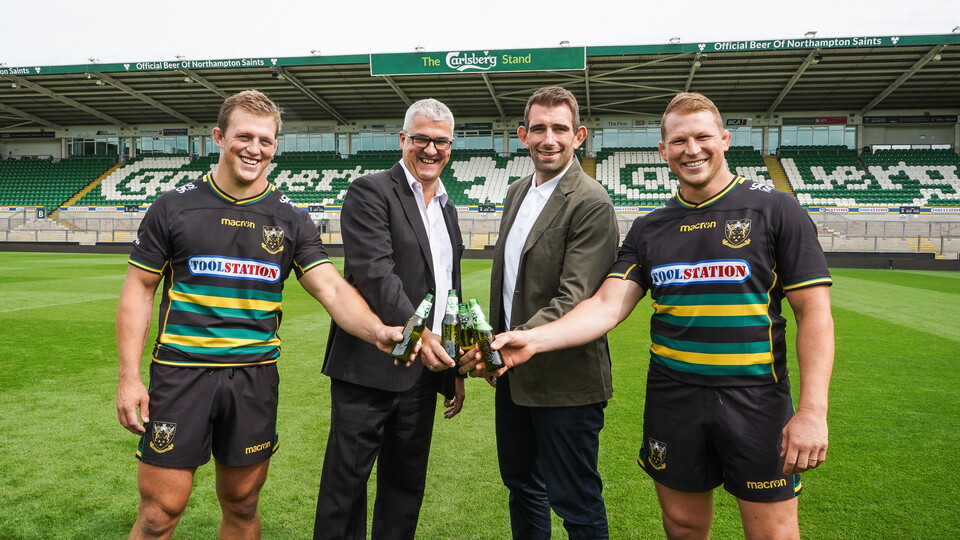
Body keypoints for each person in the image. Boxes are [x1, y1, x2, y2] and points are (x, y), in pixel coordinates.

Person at [469, 92, 835, 540]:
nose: (692, 149)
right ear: (663, 150)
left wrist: (812, 410)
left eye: (702, 137)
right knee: (682, 526)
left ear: (725, 139)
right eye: (679, 141)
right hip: (674, 399)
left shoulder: (777, 209)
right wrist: (531, 340)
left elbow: (814, 312)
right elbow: (606, 305)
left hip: (756, 401)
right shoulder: (650, 227)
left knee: (772, 532)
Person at [115, 89, 403, 540]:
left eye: (265, 140)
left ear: (275, 146)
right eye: (244, 136)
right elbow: (139, 288)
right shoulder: (173, 206)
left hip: (254, 377)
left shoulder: (291, 218)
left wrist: (378, 331)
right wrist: (129, 378)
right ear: (219, 137)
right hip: (181, 374)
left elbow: (329, 286)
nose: (255, 149)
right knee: (158, 515)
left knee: (243, 504)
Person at [457, 86, 620, 538]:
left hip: (566, 381)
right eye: (539, 128)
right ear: (522, 135)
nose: (549, 139)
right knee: (522, 486)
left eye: (560, 129)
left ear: (579, 136)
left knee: (575, 501)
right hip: (513, 374)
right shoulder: (515, 191)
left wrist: (508, 346)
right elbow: (508, 282)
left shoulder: (591, 201)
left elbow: (575, 297)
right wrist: (494, 351)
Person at [314, 98, 465, 540]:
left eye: (441, 142)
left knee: (404, 490)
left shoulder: (448, 208)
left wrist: (453, 366)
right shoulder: (371, 191)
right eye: (421, 139)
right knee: (344, 491)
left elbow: (450, 293)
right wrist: (426, 338)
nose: (431, 150)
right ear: (403, 139)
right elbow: (376, 276)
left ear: (450, 146)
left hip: (422, 375)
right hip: (369, 368)